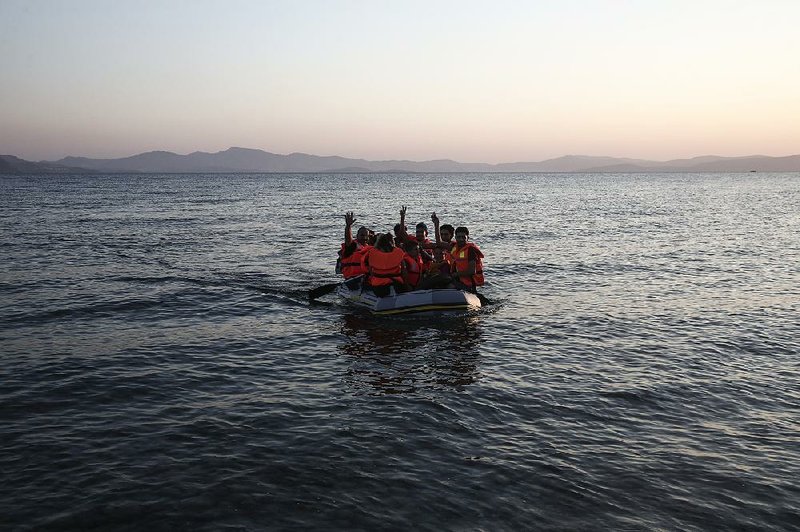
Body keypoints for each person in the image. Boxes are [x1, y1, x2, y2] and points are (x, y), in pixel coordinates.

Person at [361, 233, 407, 297]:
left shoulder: (372, 253)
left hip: (379, 288)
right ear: (392, 242)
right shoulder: (398, 252)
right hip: (397, 285)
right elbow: (404, 271)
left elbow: (370, 272)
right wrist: (406, 285)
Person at [450, 226, 484, 293]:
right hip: (459, 281)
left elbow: (472, 271)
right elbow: (439, 244)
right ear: (455, 237)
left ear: (467, 238)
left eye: (463, 237)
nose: (461, 239)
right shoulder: (454, 248)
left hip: (469, 284)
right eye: (459, 237)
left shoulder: (470, 250)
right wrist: (436, 224)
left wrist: (455, 274)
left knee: (447, 285)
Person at [339, 211, 371, 279]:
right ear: (357, 236)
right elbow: (348, 238)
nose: (364, 237)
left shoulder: (370, 249)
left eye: (366, 236)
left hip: (365, 277)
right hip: (352, 278)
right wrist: (348, 226)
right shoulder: (352, 246)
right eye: (362, 235)